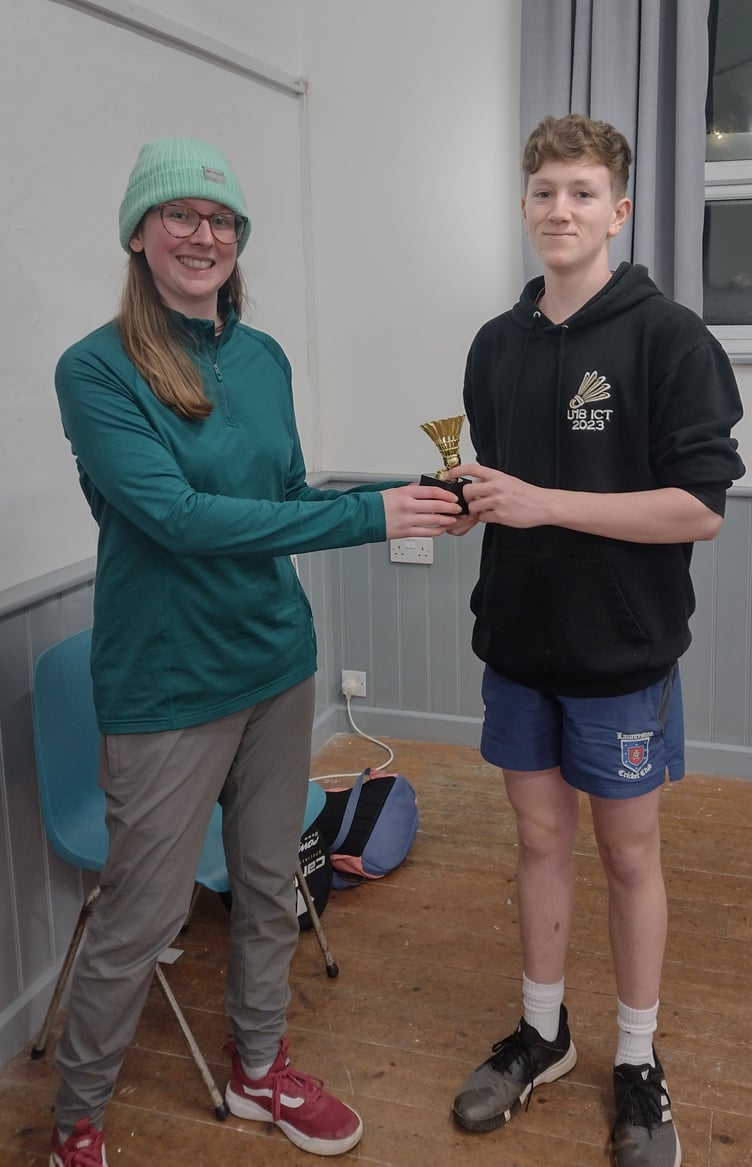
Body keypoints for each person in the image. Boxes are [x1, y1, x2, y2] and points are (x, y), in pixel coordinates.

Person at [49, 136, 460, 1167]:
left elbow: (279, 503)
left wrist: (403, 499)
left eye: (221, 219)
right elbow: (179, 518)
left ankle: (259, 1070)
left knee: (269, 883)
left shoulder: (263, 357)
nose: (203, 234)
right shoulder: (96, 370)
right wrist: (368, 517)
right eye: (179, 215)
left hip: (275, 665)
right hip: (165, 685)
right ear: (139, 235)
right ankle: (78, 1126)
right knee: (138, 920)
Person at [444, 114, 744, 1167]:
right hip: (518, 647)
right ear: (523, 208)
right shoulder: (494, 344)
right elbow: (509, 493)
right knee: (534, 842)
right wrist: (474, 504)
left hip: (621, 656)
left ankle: (634, 1056)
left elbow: (698, 509)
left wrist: (544, 503)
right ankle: (543, 1033)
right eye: (541, 192)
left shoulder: (669, 340)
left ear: (617, 209)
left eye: (579, 192)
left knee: (626, 856)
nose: (557, 210)